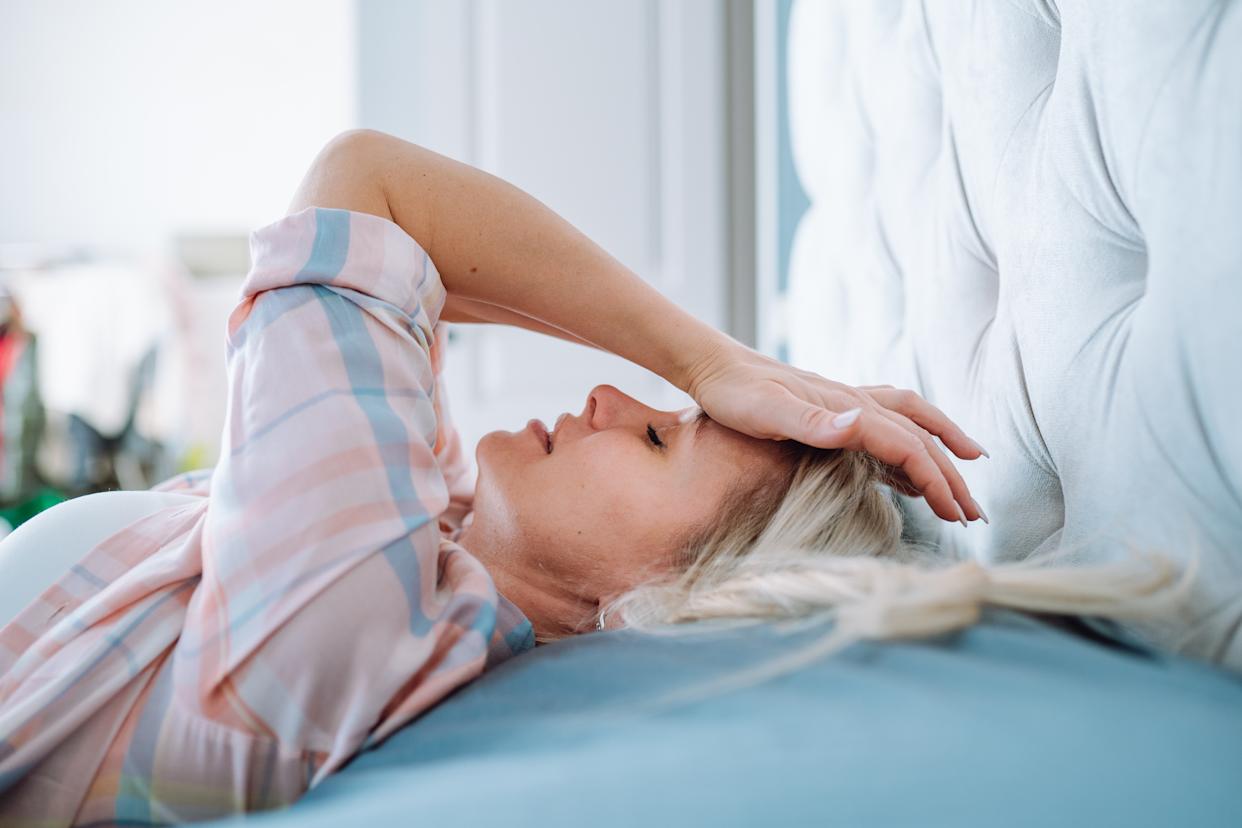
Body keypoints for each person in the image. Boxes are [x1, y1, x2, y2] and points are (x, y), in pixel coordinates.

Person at [0, 130, 1169, 825]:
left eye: (658, 440)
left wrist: (714, 362)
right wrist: (767, 388)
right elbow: (415, 263)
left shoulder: (356, 615)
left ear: (668, 596)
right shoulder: (434, 537)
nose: (612, 397)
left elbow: (365, 181)